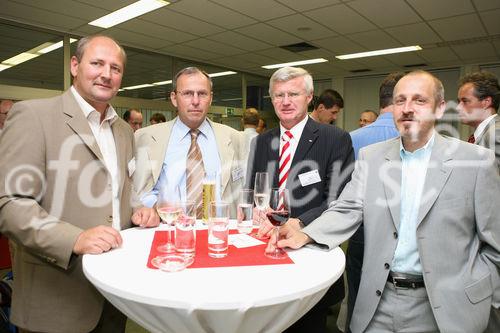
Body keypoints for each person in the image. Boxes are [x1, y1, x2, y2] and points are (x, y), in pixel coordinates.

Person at [271, 70, 500, 333]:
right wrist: (305, 234)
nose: (407, 108)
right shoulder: (372, 157)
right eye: (400, 100)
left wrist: (483, 295)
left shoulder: (476, 162)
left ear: (439, 108)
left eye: (419, 100)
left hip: (446, 309)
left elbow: (494, 245)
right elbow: (348, 208)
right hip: (379, 302)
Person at [0, 35, 159, 333]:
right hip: (57, 296)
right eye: (97, 63)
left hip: (113, 295)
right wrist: (73, 239)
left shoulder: (124, 131)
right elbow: (10, 204)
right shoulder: (34, 116)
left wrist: (140, 210)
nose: (106, 74)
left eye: (115, 68)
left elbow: (120, 192)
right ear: (74, 65)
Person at [246, 66, 354, 333]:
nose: (285, 101)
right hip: (265, 251)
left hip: (309, 252)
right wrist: (255, 211)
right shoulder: (261, 142)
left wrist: (300, 221)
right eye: (278, 95)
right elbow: (253, 191)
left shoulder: (335, 139)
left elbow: (339, 197)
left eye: (293, 94)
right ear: (271, 100)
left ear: (309, 97)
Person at [134, 67, 245, 217]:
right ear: (174, 98)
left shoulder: (233, 138)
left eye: (202, 94)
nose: (195, 101)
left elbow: (242, 188)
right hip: (168, 229)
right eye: (187, 93)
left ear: (210, 98)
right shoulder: (145, 138)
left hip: (218, 231)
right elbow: (136, 190)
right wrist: (156, 208)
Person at [341, 72, 404, 332]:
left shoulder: (353, 138)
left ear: (380, 100)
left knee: (358, 289)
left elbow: (345, 191)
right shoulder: (414, 136)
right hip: (403, 233)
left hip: (361, 229)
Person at [457, 70, 500, 332]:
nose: (459, 107)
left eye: (465, 101)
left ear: (486, 102)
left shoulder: (495, 135)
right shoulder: (479, 137)